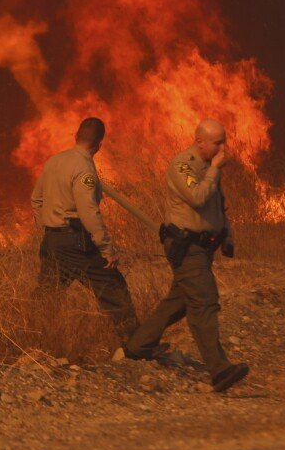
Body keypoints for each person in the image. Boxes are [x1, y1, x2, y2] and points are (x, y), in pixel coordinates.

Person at [125, 119, 250, 392]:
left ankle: (138, 345)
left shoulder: (209, 169)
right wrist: (215, 171)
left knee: (180, 301)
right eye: (217, 142)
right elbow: (196, 197)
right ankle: (219, 370)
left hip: (204, 248)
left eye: (223, 141)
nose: (222, 147)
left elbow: (218, 208)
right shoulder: (183, 165)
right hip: (186, 246)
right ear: (199, 141)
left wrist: (227, 237)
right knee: (203, 301)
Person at [31, 117, 140, 345]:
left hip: (52, 240)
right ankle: (137, 345)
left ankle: (33, 340)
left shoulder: (54, 161)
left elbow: (36, 199)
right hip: (76, 241)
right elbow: (88, 211)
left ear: (75, 136)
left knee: (48, 293)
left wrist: (51, 225)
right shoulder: (84, 168)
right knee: (112, 285)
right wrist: (106, 247)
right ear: (99, 145)